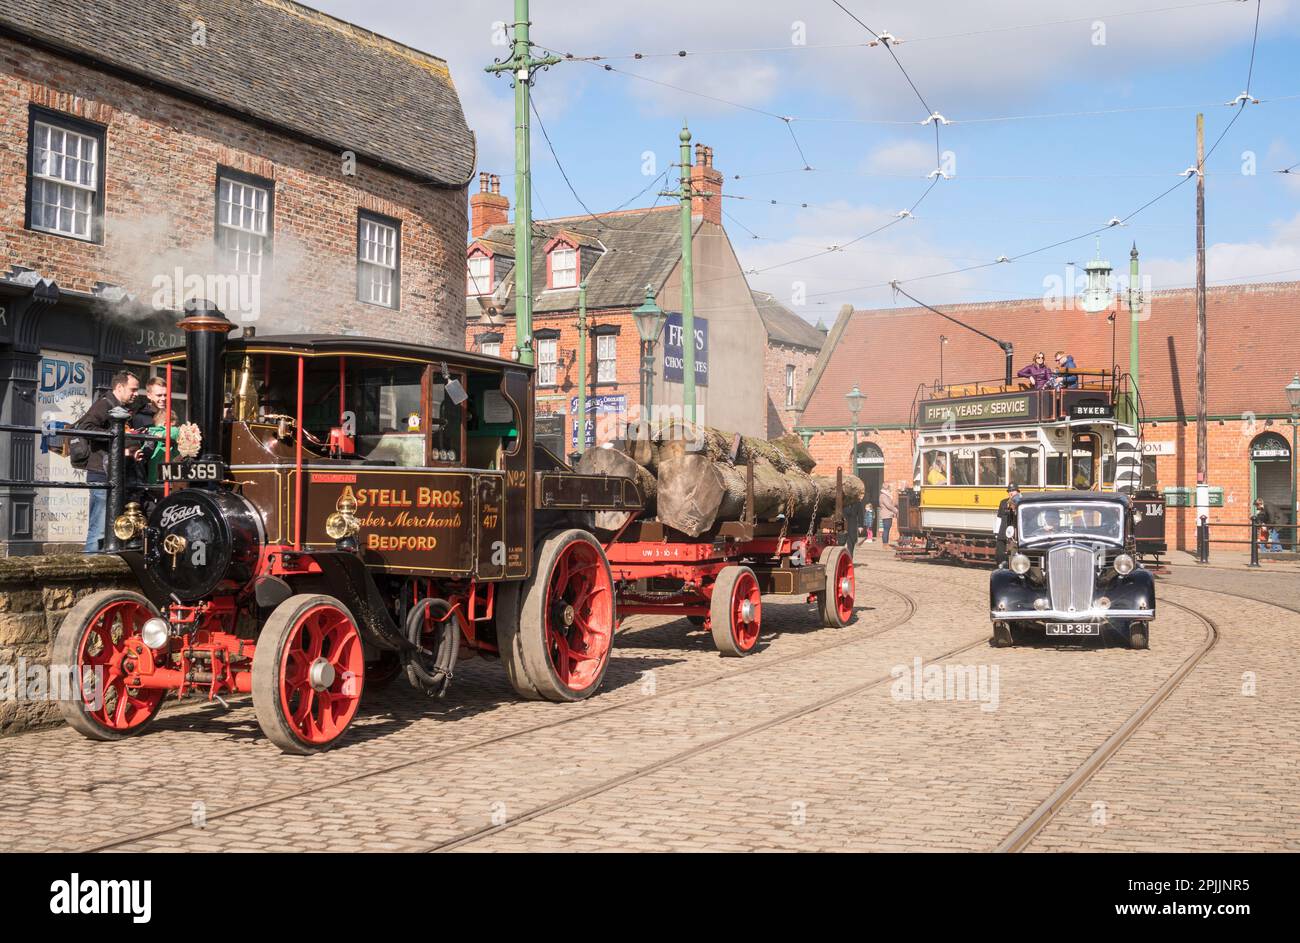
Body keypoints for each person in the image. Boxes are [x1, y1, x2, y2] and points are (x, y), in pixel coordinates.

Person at [75, 370, 140, 552]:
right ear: (119, 387)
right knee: (98, 527)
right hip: (100, 473)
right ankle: (90, 565)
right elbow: (86, 427)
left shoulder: (123, 408)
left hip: (112, 473)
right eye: (133, 390)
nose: (136, 394)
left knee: (110, 526)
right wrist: (116, 436)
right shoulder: (104, 404)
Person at [994, 484, 1021, 567]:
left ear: (1017, 491)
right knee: (1000, 552)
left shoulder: (1021, 502)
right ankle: (1001, 565)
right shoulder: (1003, 502)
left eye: (1012, 490)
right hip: (1003, 532)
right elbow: (999, 517)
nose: (1011, 493)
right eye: (1009, 491)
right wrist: (996, 532)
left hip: (1016, 533)